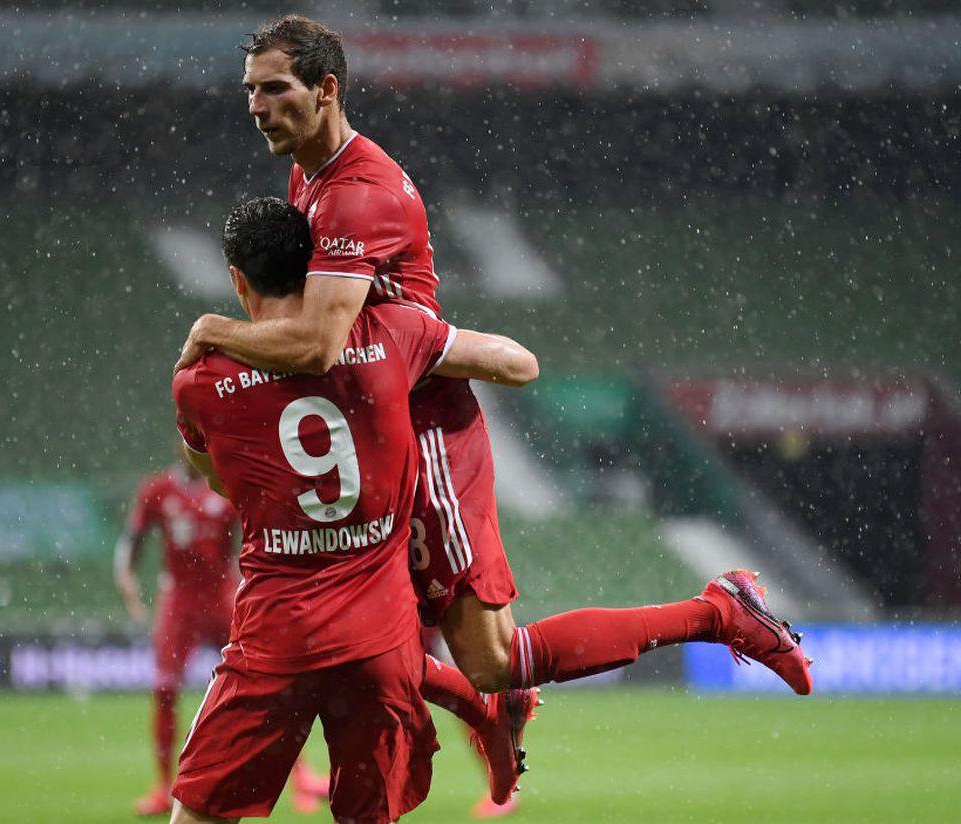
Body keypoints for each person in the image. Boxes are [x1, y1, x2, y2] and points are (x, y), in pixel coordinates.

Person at [175, 14, 812, 719]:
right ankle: (494, 725)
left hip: (423, 432)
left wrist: (215, 332)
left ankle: (716, 613)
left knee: (492, 659)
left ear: (326, 89)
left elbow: (320, 346)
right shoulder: (310, 175)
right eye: (250, 90)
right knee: (360, 635)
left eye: (274, 89)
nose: (256, 106)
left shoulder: (356, 194)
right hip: (374, 429)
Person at [168, 196, 540, 824]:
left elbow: (224, 482)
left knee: (201, 815)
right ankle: (488, 708)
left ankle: (484, 711)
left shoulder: (200, 383)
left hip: (277, 629)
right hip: (377, 617)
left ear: (237, 280)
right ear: (315, 269)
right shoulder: (385, 334)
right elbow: (518, 363)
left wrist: (218, 335)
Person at [114, 456, 329, 817]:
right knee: (164, 688)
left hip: (222, 596)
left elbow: (255, 533)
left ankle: (300, 776)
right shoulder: (158, 490)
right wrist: (127, 580)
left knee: (268, 680)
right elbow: (132, 539)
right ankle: (163, 787)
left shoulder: (225, 486)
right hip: (179, 600)